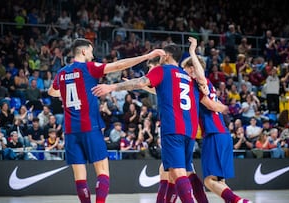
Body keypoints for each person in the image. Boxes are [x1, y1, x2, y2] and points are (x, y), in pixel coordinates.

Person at [48, 38, 164, 203]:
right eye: (91, 50)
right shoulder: (89, 67)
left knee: (80, 178)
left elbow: (51, 92)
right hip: (90, 126)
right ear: (83, 51)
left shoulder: (61, 73)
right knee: (102, 172)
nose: (92, 54)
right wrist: (146, 57)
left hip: (71, 130)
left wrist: (68, 92)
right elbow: (118, 66)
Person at [92, 43, 202, 203]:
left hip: (173, 127)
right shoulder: (186, 77)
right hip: (190, 129)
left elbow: (141, 82)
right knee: (175, 172)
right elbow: (159, 89)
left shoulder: (161, 70)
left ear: (166, 56)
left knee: (178, 173)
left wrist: (112, 87)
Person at [183, 37, 252, 203]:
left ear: (192, 69)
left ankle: (238, 201)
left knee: (209, 181)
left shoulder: (196, 85)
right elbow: (217, 105)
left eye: (184, 69)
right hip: (223, 134)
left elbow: (211, 105)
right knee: (220, 181)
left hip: (213, 133)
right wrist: (226, 107)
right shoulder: (209, 84)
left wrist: (223, 107)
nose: (182, 73)